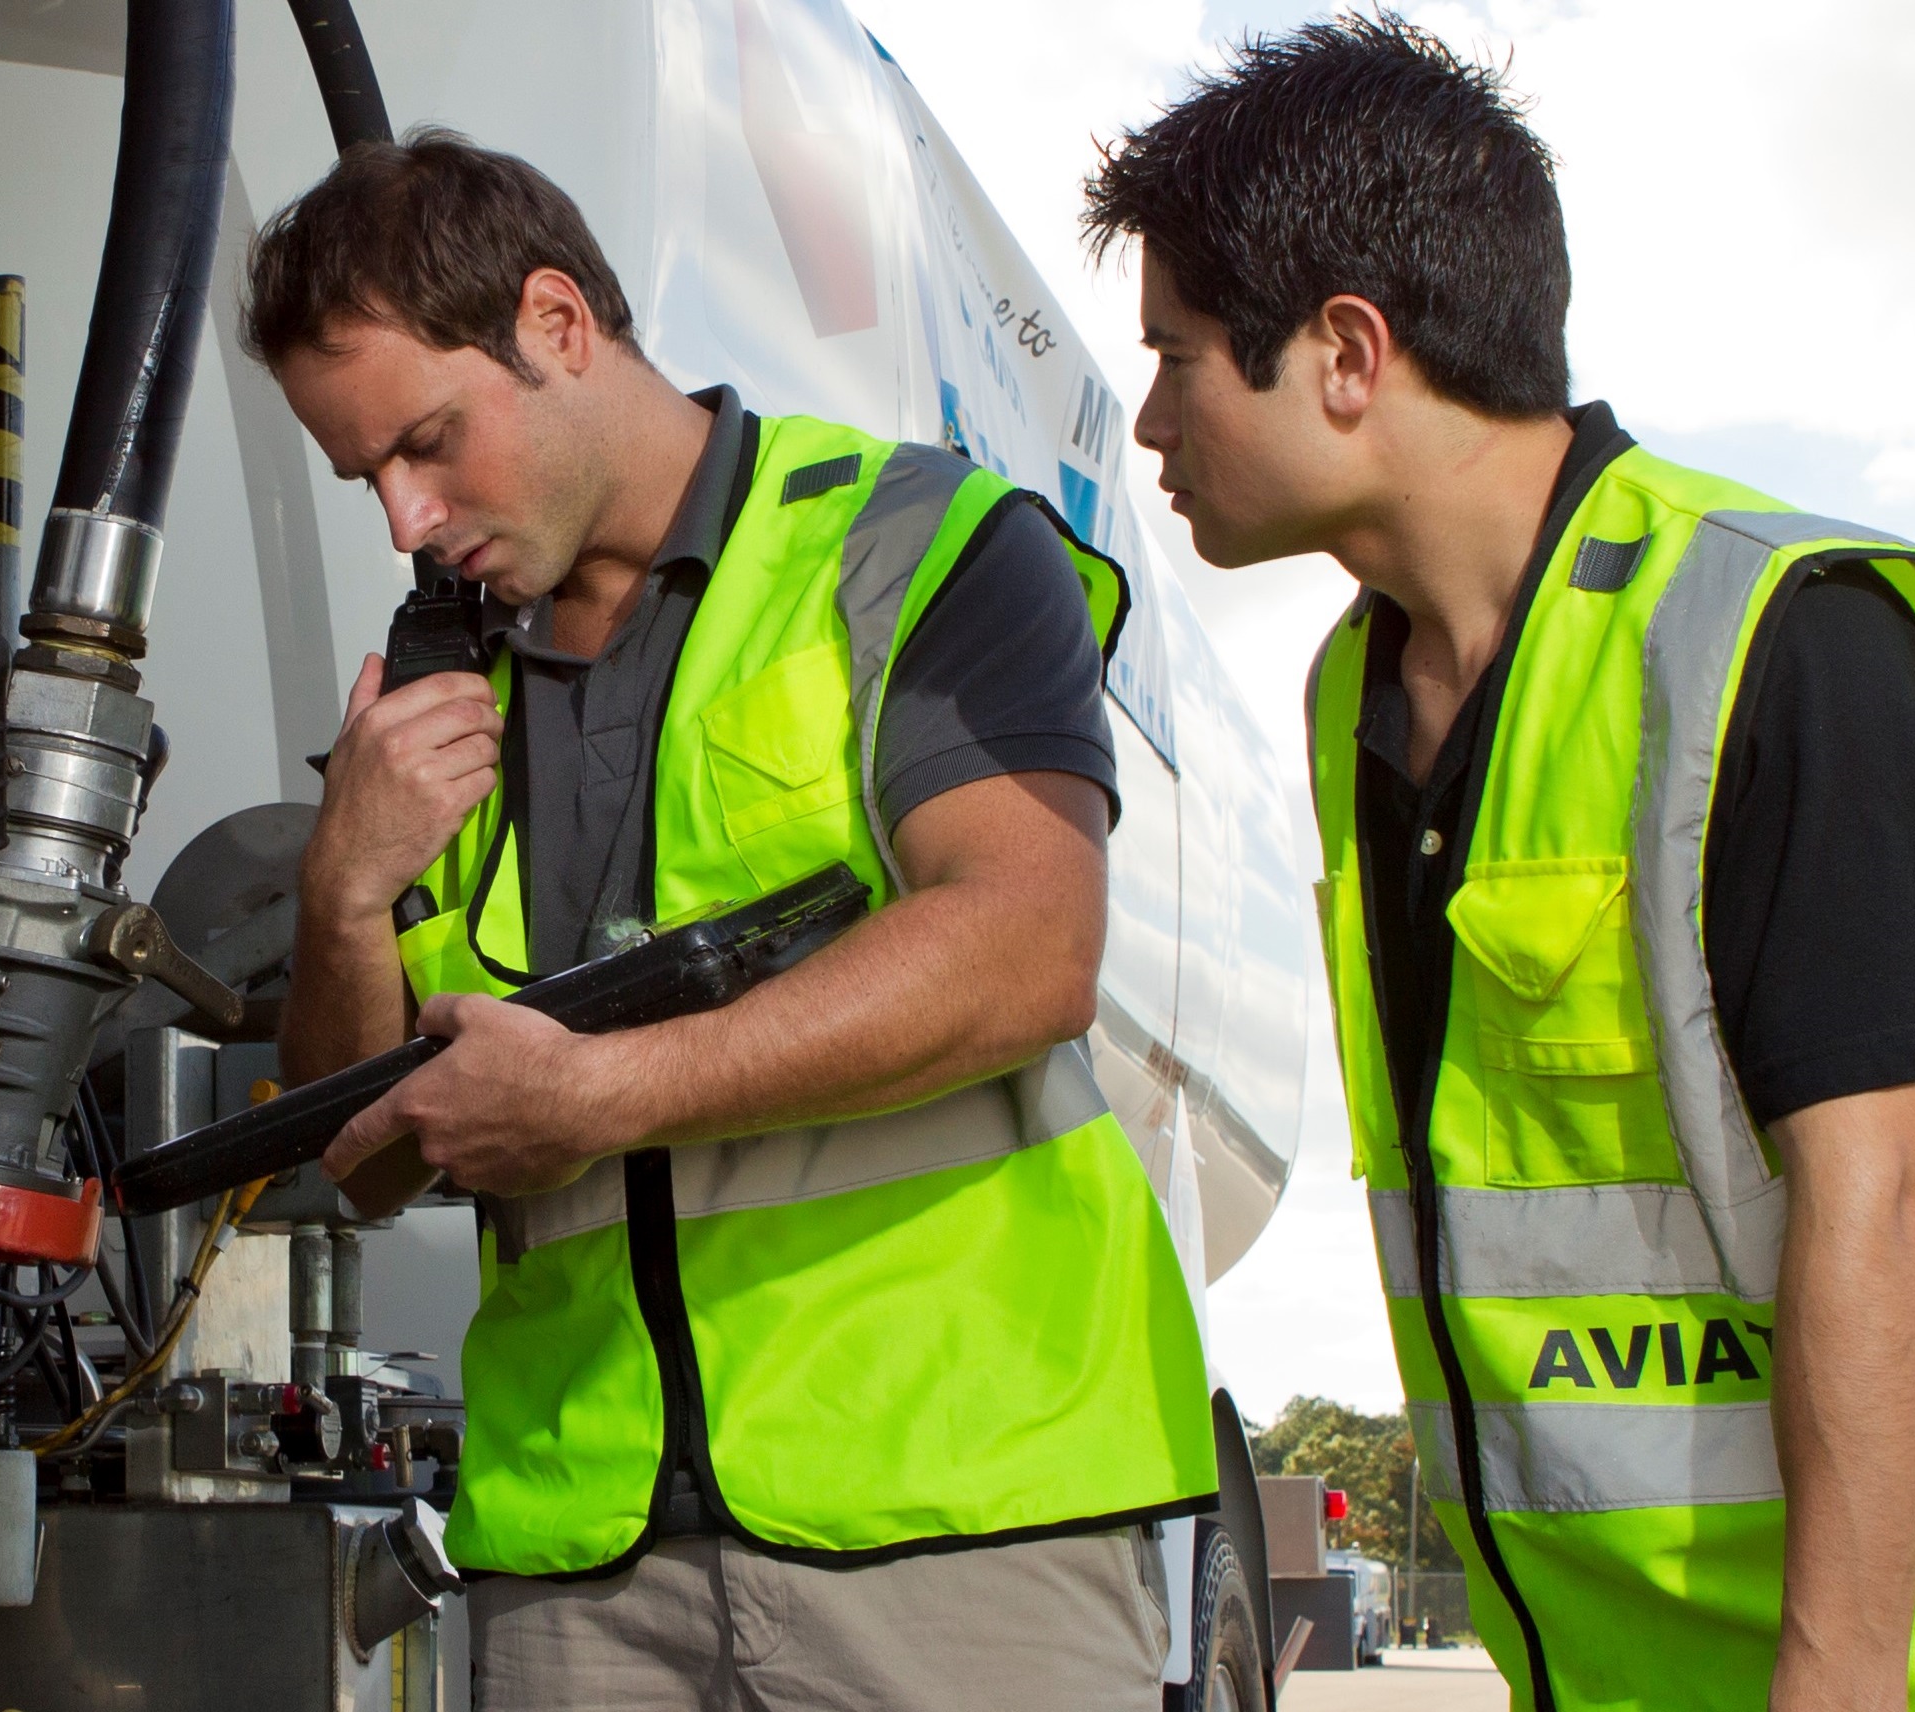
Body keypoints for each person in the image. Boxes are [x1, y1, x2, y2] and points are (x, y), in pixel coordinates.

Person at [1078, 19, 1915, 1712]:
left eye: (1177, 355)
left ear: (1347, 354)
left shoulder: (1774, 637)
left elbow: (1878, 1201)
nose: (1148, 415)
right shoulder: (1352, 699)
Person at [240, 133, 1217, 1709]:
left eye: (427, 443)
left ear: (560, 323)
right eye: (368, 477)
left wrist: (601, 1095)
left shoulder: (916, 548)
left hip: (955, 1529)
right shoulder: (436, 701)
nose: (404, 521)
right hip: (579, 1576)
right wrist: (344, 889)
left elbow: (1030, 949)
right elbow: (363, 1157)